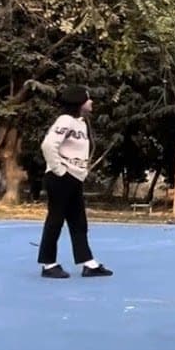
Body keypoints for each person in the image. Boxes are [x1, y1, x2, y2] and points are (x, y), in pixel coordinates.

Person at [37, 85, 111, 279]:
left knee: (79, 222)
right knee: (55, 219)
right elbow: (48, 145)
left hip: (74, 178)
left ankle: (88, 263)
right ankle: (48, 264)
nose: (91, 102)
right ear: (80, 102)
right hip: (61, 177)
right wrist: (59, 169)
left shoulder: (80, 123)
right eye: (88, 99)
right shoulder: (65, 120)